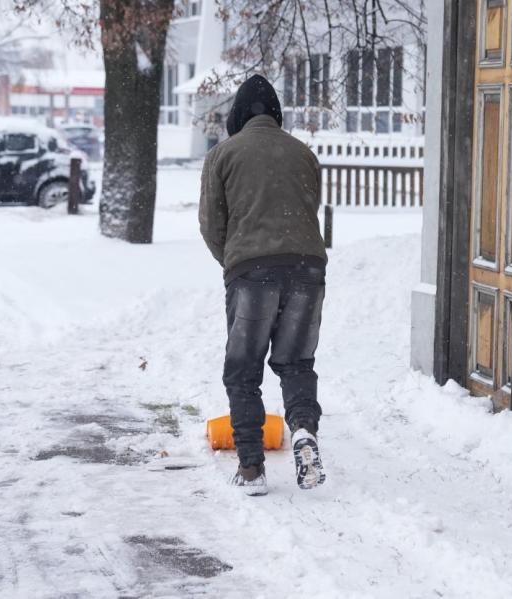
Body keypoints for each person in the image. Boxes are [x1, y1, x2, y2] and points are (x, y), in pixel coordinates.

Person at [199, 74, 328, 496]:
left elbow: (211, 224)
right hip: (307, 269)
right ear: (275, 114)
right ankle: (304, 430)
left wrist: (234, 262)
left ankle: (252, 467)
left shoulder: (223, 155)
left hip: (251, 271)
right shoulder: (304, 154)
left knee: (243, 370)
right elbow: (309, 208)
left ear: (237, 115)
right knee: (295, 363)